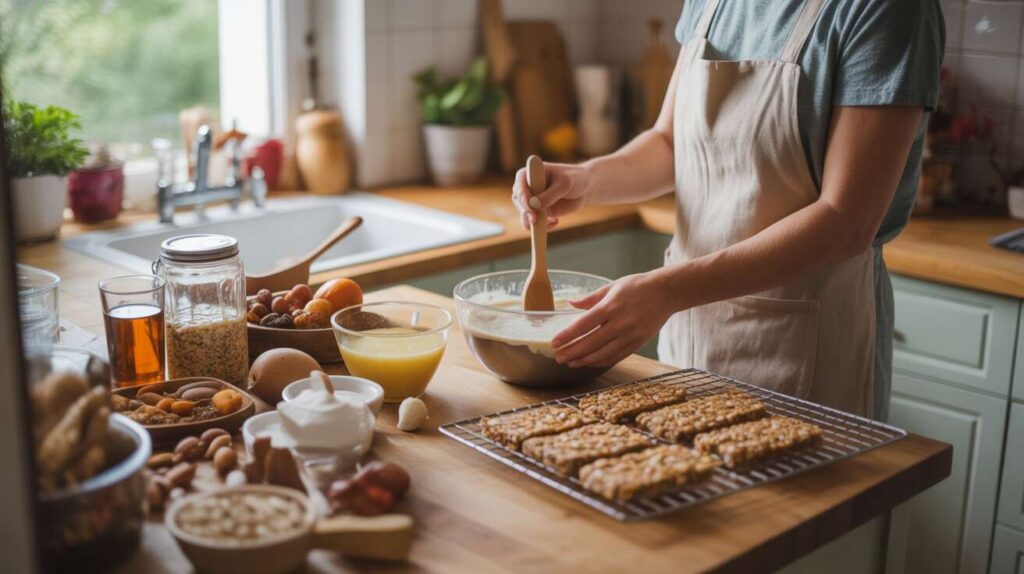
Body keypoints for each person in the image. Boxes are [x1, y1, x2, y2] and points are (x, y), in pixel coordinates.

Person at [511, 0, 945, 420]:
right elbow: (670, 144)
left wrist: (669, 291)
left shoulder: (888, 8)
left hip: (807, 352)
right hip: (691, 336)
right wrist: (586, 179)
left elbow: (846, 220)